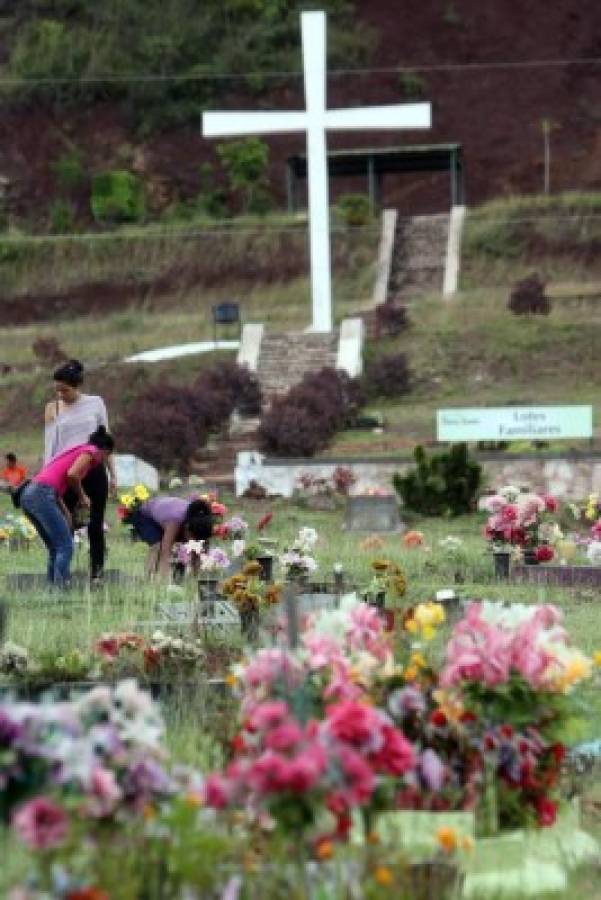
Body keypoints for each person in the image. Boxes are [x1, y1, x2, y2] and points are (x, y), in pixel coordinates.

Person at [44, 359, 117, 584]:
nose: (60, 394)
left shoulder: (95, 403)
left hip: (93, 469)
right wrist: (48, 476)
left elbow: (106, 440)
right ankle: (60, 575)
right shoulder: (52, 407)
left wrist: (113, 474)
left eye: (64, 390)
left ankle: (97, 573)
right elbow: (49, 444)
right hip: (66, 472)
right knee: (64, 524)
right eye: (57, 389)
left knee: (95, 524)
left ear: (77, 385)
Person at [21, 427, 115, 589]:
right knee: (65, 546)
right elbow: (72, 475)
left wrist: (67, 514)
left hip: (30, 494)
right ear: (105, 451)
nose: (103, 462)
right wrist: (82, 496)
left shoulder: (76, 451)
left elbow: (57, 489)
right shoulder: (91, 451)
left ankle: (52, 588)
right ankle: (61, 589)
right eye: (107, 456)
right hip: (42, 494)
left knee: (55, 546)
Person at [131, 496, 214, 579]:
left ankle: (180, 577)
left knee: (194, 548)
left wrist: (196, 577)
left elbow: (199, 551)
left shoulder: (202, 523)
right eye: (194, 538)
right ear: (187, 528)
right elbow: (165, 551)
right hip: (145, 516)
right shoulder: (174, 521)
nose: (195, 541)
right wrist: (164, 581)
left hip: (169, 516)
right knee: (158, 546)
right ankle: (150, 578)